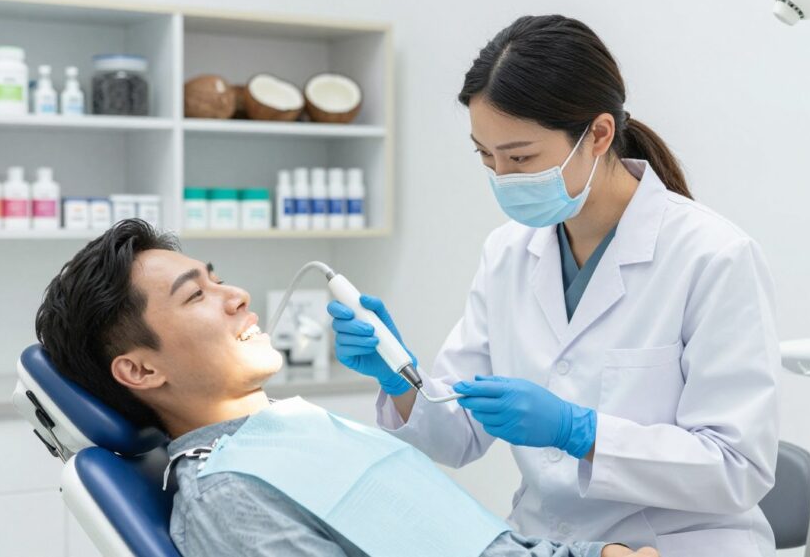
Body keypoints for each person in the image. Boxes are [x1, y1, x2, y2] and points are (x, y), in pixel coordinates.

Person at [329, 14, 780, 557]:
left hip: (674, 545)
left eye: (520, 157)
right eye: (485, 155)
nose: (501, 175)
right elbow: (458, 435)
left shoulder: (713, 257)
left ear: (598, 134)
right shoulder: (508, 252)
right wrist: (401, 377)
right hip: (542, 541)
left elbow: (737, 468)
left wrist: (581, 431)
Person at [34, 219, 658, 557]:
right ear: (141, 372)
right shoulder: (227, 496)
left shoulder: (296, 429)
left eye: (217, 278)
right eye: (197, 295)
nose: (237, 296)